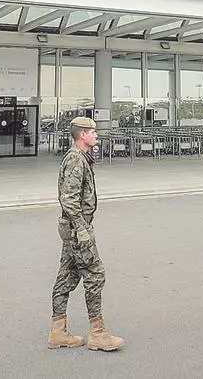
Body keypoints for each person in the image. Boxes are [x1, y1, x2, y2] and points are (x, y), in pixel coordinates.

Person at [47, 116, 124, 352]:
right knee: (95, 275)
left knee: (67, 276)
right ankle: (98, 333)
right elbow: (68, 199)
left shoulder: (81, 158)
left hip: (72, 227)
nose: (96, 135)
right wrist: (81, 229)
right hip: (76, 229)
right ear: (82, 135)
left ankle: (58, 331)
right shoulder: (75, 159)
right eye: (93, 132)